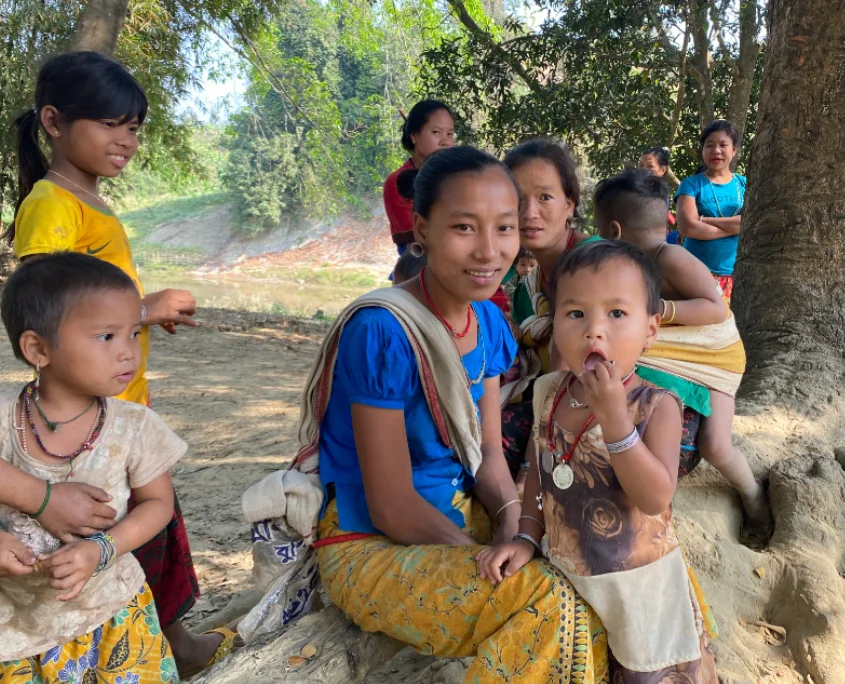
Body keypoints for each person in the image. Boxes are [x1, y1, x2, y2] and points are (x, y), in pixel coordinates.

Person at [256, 146, 610, 682]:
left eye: (505, 228)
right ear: (421, 228)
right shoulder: (382, 331)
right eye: (465, 228)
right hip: (370, 546)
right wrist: (481, 557)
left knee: (598, 569)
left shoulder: (488, 324)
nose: (489, 251)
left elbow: (490, 459)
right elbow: (392, 504)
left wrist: (514, 529)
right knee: (546, 602)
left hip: (460, 516)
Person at [3, 51, 231, 677]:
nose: (125, 140)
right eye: (109, 124)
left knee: (154, 522)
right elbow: (47, 299)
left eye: (133, 127)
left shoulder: (91, 201)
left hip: (122, 407)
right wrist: (145, 309)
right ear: (53, 121)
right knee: (107, 524)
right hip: (87, 411)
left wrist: (136, 323)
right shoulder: (52, 203)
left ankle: (168, 637)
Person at [477, 241, 718, 682]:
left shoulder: (656, 405)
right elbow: (539, 469)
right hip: (572, 572)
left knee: (646, 671)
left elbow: (654, 497)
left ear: (650, 330)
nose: (594, 330)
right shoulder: (549, 390)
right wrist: (527, 537)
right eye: (575, 314)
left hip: (639, 587)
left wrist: (615, 421)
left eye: (617, 314)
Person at [0, 254, 185, 681]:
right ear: (38, 349)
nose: (128, 351)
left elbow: (158, 504)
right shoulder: (6, 422)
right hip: (15, 631)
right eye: (106, 336)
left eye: (134, 333)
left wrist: (100, 550)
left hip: (114, 613)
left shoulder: (135, 426)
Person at [593, 169, 772, 531]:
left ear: (613, 231)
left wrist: (660, 310)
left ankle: (753, 496)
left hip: (716, 356)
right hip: (673, 351)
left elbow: (716, 308)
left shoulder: (670, 257)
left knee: (716, 446)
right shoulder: (630, 266)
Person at [499, 139, 599, 480]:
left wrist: (527, 474)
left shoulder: (591, 265)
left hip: (629, 418)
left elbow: (558, 382)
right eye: (517, 199)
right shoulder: (531, 280)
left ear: (570, 204)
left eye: (545, 197)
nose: (529, 213)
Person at [676, 120, 746, 304]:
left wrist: (703, 219)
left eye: (723, 145)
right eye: (710, 145)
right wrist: (735, 226)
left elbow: (750, 222)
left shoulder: (745, 184)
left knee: (729, 330)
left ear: (734, 151)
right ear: (703, 150)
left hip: (736, 276)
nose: (716, 151)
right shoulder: (690, 185)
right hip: (695, 273)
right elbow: (688, 227)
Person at [383, 100, 455, 255]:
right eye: (436, 132)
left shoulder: (456, 178)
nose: (445, 142)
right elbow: (419, 244)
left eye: (450, 134)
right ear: (414, 135)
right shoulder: (397, 182)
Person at [638, 146, 680, 244]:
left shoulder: (659, 193)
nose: (643, 170)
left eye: (650, 166)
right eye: (640, 165)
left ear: (663, 170)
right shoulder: (631, 189)